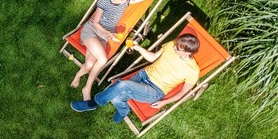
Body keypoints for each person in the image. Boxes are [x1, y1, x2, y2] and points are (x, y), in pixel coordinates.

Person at [70, 33, 200, 124]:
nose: (174, 47)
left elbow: (184, 92)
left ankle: (93, 103)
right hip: (144, 75)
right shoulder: (171, 44)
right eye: (176, 45)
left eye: (178, 48)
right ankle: (124, 111)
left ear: (188, 52)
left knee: (122, 86)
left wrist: (164, 102)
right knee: (116, 98)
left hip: (155, 90)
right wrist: (137, 47)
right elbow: (152, 57)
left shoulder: (193, 70)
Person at [70, 0, 149, 101]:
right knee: (102, 59)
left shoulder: (126, 2)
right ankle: (87, 88)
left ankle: (78, 76)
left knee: (90, 64)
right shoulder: (104, 2)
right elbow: (96, 23)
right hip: (91, 31)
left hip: (103, 36)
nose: (126, 0)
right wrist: (109, 34)